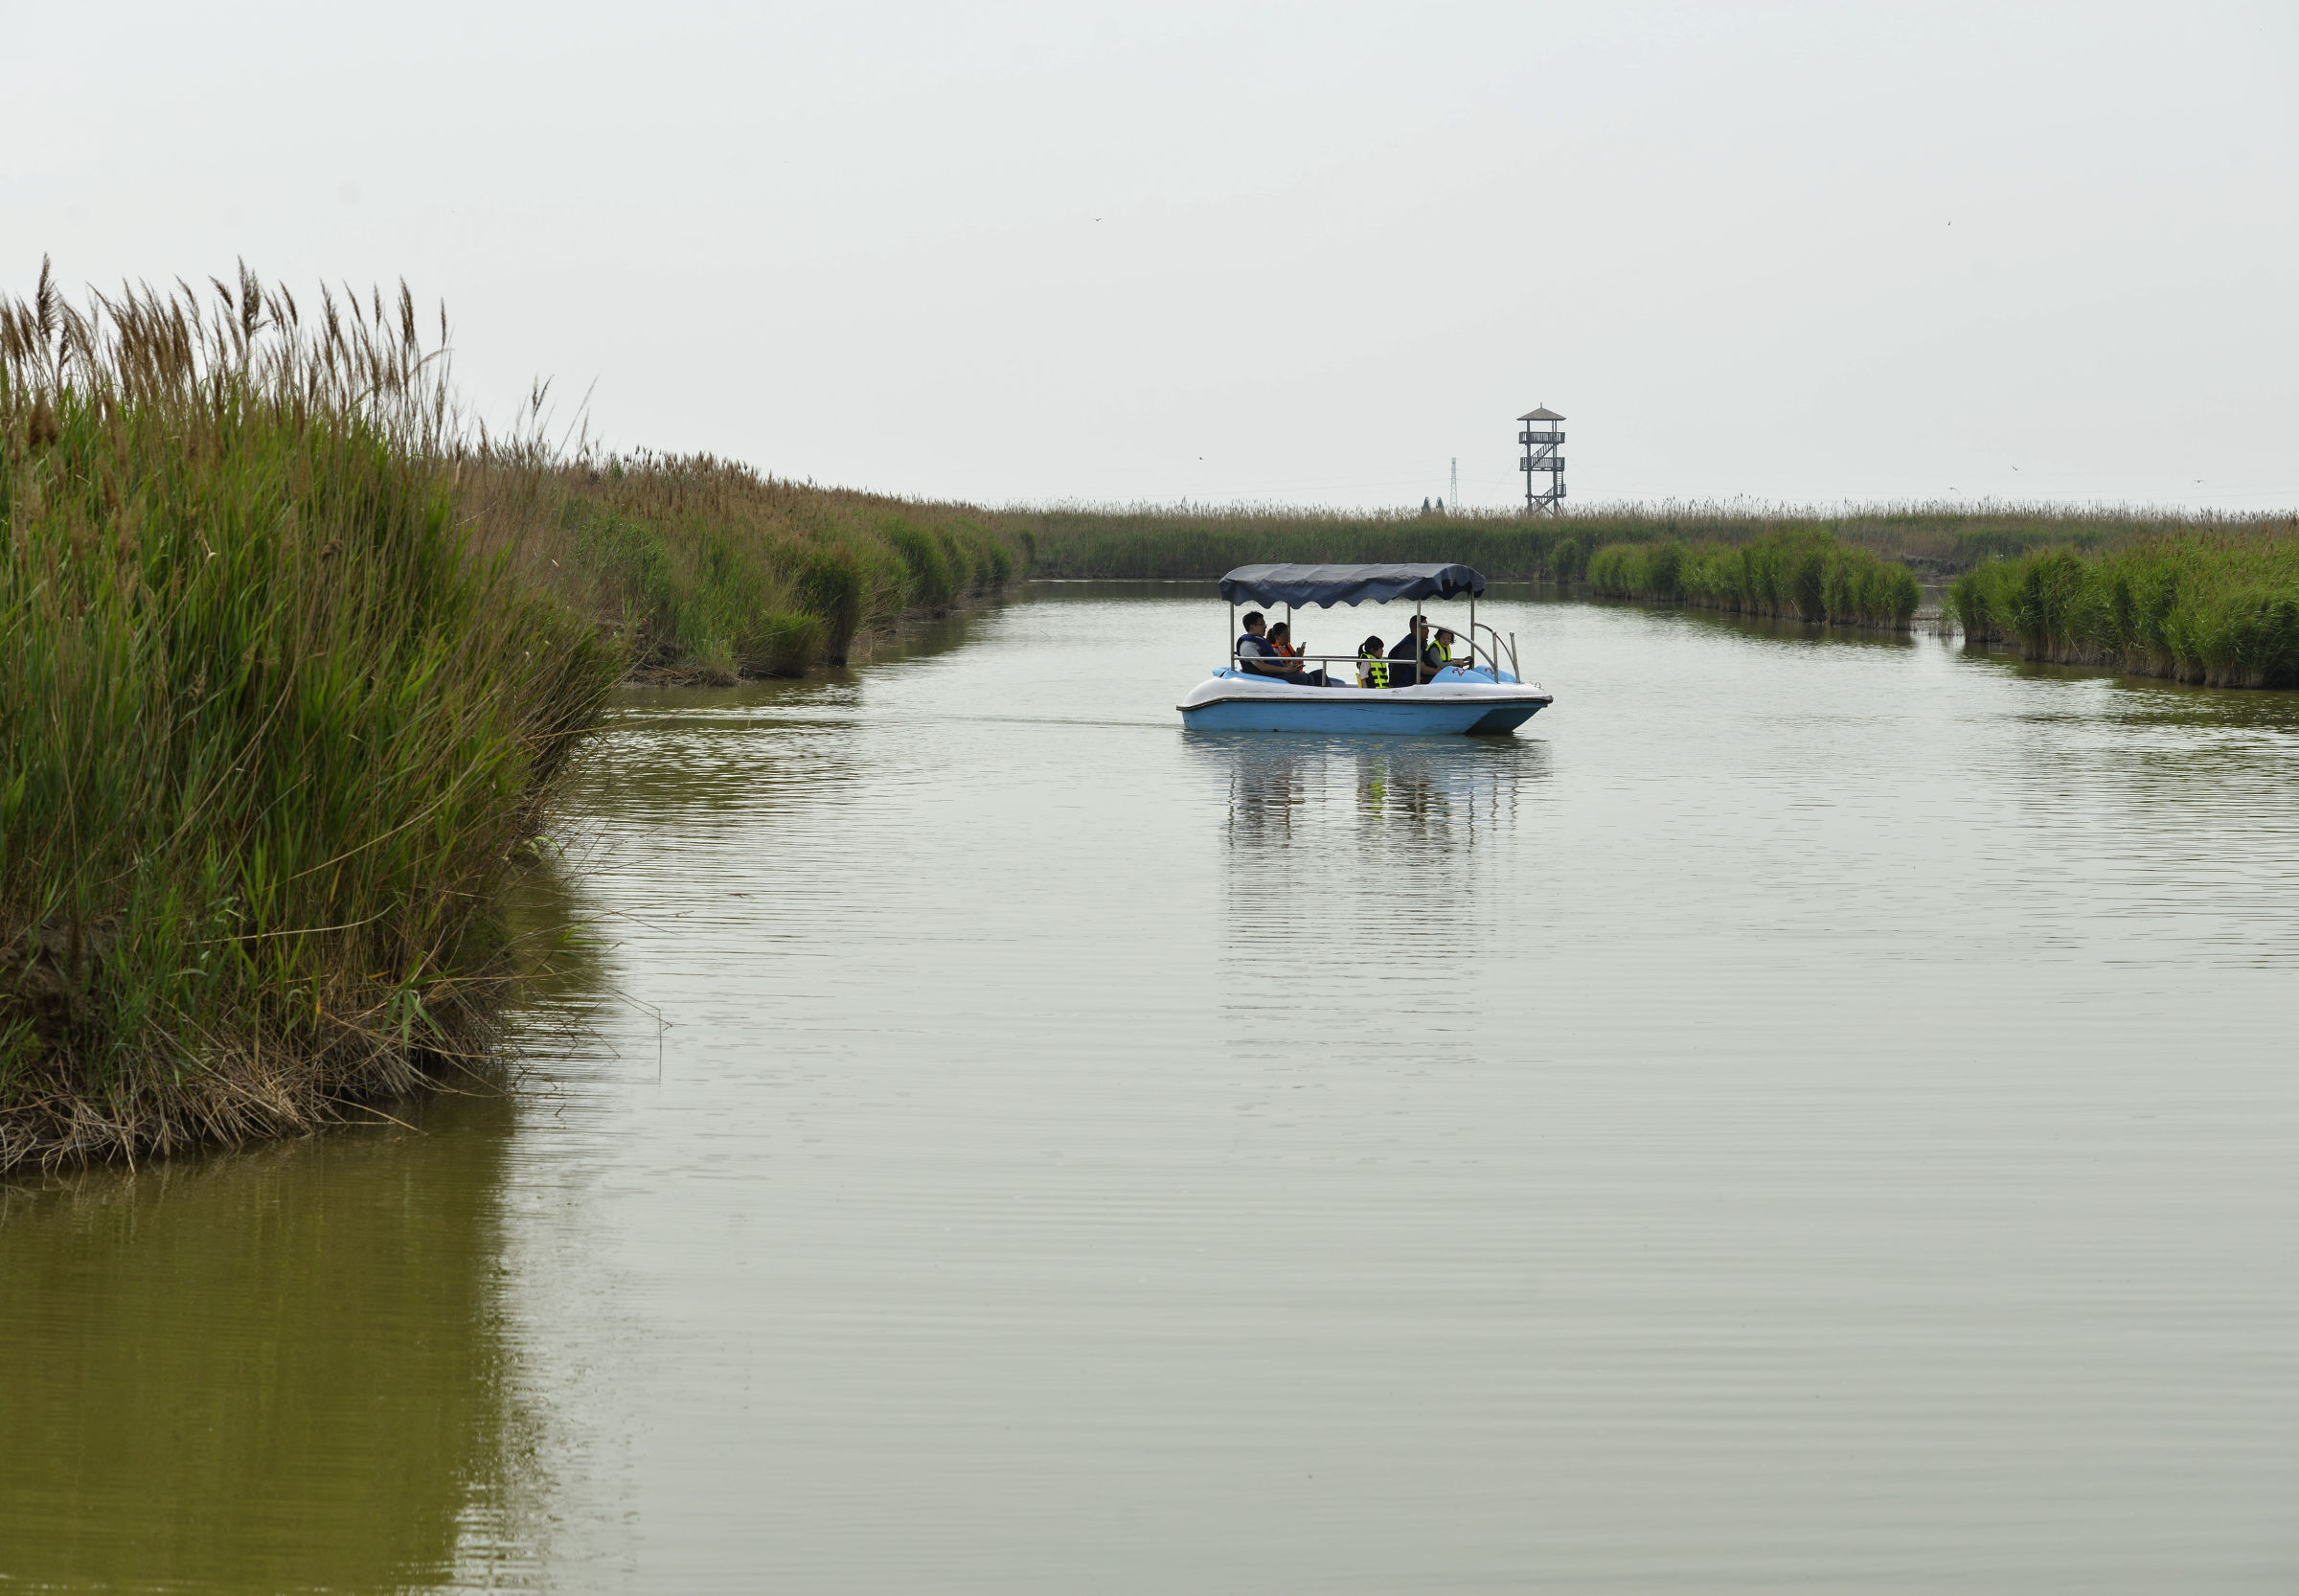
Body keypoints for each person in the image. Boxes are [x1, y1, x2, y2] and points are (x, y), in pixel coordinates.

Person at [1263, 621, 1329, 686]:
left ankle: (1326, 695)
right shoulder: (1274, 650)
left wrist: (1300, 656)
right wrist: (1296, 658)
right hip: (1283, 676)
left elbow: (1300, 667)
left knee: (1321, 673)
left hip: (1295, 673)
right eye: (1285, 635)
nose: (1288, 638)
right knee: (1305, 677)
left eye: (1289, 635)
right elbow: (1284, 668)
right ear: (1277, 637)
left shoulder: (1287, 648)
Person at [1387, 614, 1432, 685]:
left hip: (1416, 682)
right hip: (1404, 686)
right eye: (1424, 627)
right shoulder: (1409, 647)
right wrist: (1441, 672)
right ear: (1415, 630)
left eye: (1427, 627)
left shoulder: (1422, 643)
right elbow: (1423, 669)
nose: (1428, 630)